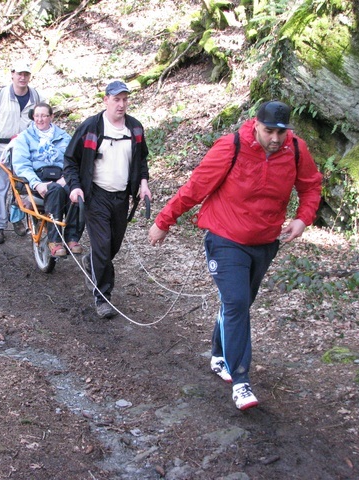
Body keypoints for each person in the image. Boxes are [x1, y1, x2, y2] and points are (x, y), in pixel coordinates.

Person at [148, 101, 322, 410]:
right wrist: (164, 221)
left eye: (282, 133)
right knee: (237, 303)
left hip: (266, 241)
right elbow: (195, 187)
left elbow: (310, 186)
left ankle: (218, 354)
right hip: (225, 238)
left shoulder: (296, 150)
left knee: (239, 303)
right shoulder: (232, 147)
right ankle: (241, 381)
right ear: (256, 124)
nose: (276, 139)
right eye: (269, 131)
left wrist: (302, 218)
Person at [64, 80, 151, 319]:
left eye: (125, 99)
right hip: (96, 195)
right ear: (106, 100)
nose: (121, 104)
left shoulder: (135, 129)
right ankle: (102, 297)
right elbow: (70, 160)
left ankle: (91, 262)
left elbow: (141, 161)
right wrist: (75, 187)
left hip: (122, 197)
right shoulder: (91, 127)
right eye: (116, 99)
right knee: (102, 247)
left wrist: (143, 183)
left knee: (112, 247)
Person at [0, 60, 44, 244]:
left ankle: (17, 219)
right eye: (19, 74)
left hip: (25, 149)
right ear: (12, 74)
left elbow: (45, 118)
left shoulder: (36, 97)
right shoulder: (0, 95)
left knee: (22, 186)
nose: (22, 78)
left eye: (26, 74)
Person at [11, 103, 83, 256]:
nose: (40, 119)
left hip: (62, 177)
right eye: (37, 116)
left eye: (44, 115)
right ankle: (55, 241)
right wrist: (37, 184)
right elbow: (21, 165)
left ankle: (72, 238)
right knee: (55, 190)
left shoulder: (64, 137)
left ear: (51, 117)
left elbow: (74, 161)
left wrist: (66, 178)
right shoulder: (25, 137)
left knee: (75, 192)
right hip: (37, 179)